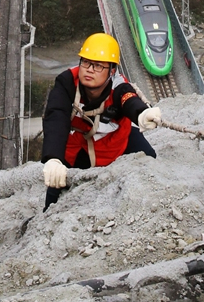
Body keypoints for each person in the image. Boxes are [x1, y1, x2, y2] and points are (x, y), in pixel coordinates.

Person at [41, 33, 162, 210]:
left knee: (149, 158)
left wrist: (142, 114)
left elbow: (129, 99)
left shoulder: (118, 86)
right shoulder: (67, 82)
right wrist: (53, 158)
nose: (89, 69)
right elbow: (56, 117)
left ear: (112, 71)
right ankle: (47, 213)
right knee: (57, 184)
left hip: (116, 139)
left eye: (98, 66)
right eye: (86, 62)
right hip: (79, 144)